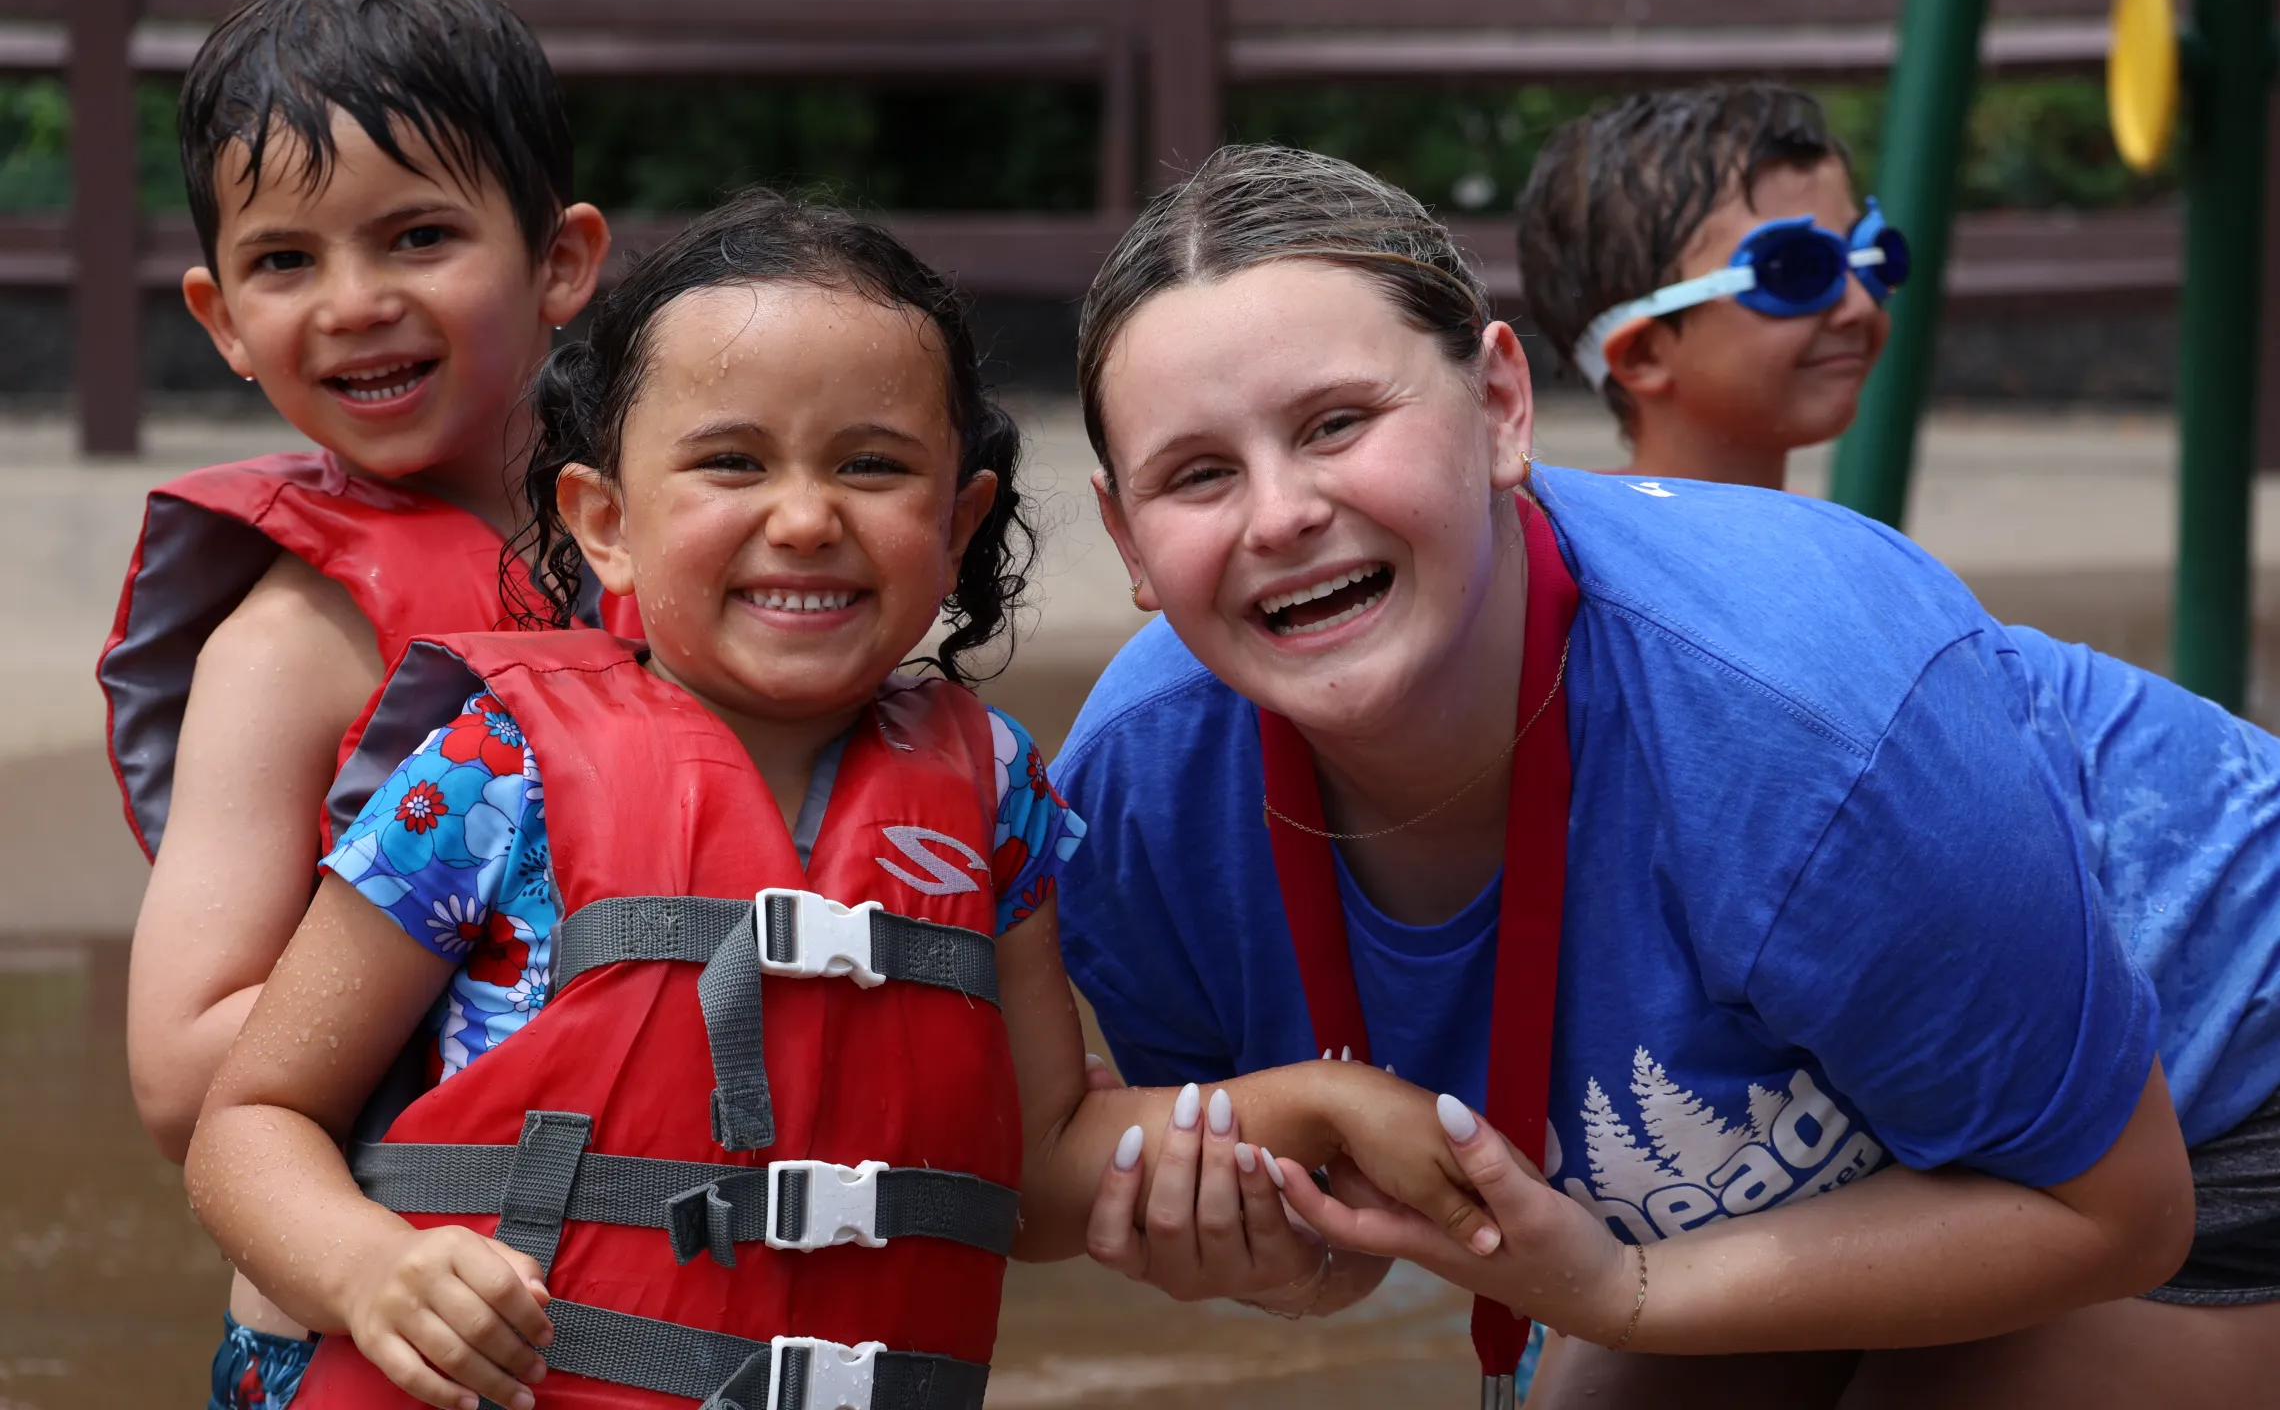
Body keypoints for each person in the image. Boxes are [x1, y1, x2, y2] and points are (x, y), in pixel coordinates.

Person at [181, 191, 1493, 1410]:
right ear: (605, 520)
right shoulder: (489, 773)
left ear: (959, 522)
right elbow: (250, 1121)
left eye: (870, 466)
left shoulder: (994, 798)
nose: (805, 519)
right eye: (731, 463)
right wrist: (365, 1268)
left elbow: (1040, 1168)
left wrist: (1318, 1109)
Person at [1051, 143, 2280, 1408]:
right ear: (1126, 535)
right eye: (1198, 474)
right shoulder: (1138, 805)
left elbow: (2117, 1210)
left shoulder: (1798, 724)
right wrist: (1292, 1259)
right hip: (1854, 1153)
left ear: (1502, 406)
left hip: (2215, 1107)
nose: (1279, 514)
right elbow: (1342, 1241)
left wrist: (1627, 1290)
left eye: (1337, 424)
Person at [100, 0, 611, 1408]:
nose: (356, 302)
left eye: (419, 236)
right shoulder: (287, 651)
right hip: (366, 1315)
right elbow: (184, 1072)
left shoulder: (672, 558)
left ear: (561, 260)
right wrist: (521, 1003)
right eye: (285, 262)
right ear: (220, 318)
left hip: (637, 1298)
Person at [1515, 84, 1902, 490]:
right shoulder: (1561, 532)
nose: (1860, 305)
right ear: (1643, 353)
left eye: (1872, 258)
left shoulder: (1808, 527)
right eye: (1799, 269)